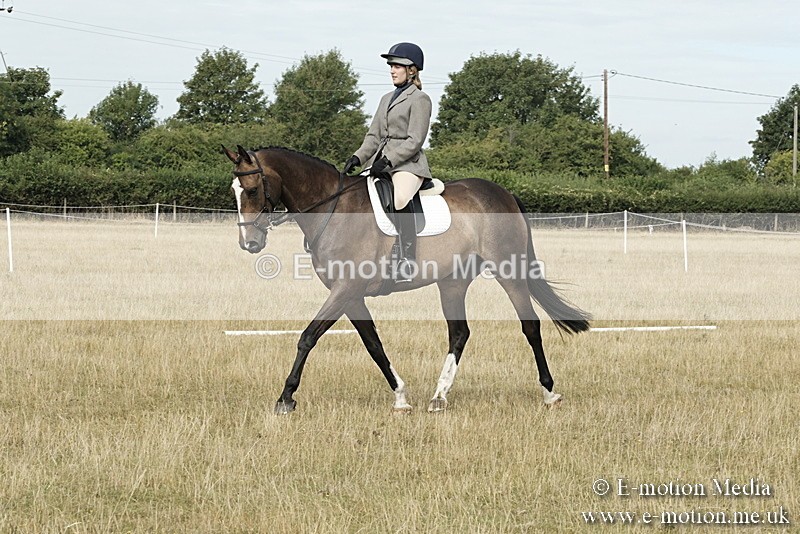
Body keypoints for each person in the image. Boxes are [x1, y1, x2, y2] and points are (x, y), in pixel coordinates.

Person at [343, 42, 432, 283]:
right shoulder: (385, 99)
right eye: (391, 66)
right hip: (379, 162)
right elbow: (373, 136)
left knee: (400, 198)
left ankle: (407, 258)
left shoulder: (420, 99)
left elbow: (415, 140)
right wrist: (358, 157)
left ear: (411, 70)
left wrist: (389, 160)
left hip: (408, 165)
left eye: (397, 66)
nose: (392, 70)